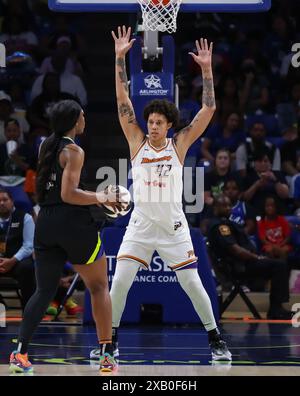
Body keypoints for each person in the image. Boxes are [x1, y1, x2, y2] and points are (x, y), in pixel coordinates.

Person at [92, 26, 232, 363]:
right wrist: (119, 58)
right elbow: (122, 101)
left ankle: (215, 340)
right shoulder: (136, 142)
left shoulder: (178, 144)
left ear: (168, 124)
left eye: (158, 122)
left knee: (193, 285)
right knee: (119, 284)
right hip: (139, 225)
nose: (152, 125)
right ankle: (109, 344)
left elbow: (208, 110)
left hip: (172, 226)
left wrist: (207, 69)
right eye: (150, 121)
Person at [9, 100, 122, 374]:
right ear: (74, 121)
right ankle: (106, 355)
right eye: (82, 115)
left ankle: (20, 354)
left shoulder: (46, 144)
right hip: (73, 224)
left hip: (46, 223)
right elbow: (68, 194)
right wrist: (102, 196)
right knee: (98, 287)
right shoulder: (74, 150)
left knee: (43, 291)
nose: (85, 118)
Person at [207, 195, 291, 319]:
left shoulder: (227, 223)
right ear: (215, 207)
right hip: (238, 267)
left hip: (244, 263)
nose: (228, 208)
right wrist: (257, 258)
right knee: (279, 266)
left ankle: (276, 307)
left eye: (230, 205)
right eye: (224, 206)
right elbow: (236, 251)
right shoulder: (220, 226)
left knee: (279, 263)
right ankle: (276, 309)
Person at [0, 188, 35, 310]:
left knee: (28, 267)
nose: (2, 203)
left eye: (5, 200)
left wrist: (12, 260)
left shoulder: (25, 218)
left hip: (17, 261)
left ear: (12, 201)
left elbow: (29, 246)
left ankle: (28, 309)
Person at [257, 196, 292, 260]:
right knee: (269, 250)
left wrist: (280, 245)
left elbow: (288, 237)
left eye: (272, 206)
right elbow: (263, 240)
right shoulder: (261, 222)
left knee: (283, 250)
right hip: (269, 245)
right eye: (267, 206)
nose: (270, 208)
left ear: (276, 208)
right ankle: (272, 268)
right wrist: (273, 246)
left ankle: (283, 268)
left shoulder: (282, 220)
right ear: (264, 208)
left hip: (282, 244)